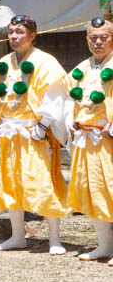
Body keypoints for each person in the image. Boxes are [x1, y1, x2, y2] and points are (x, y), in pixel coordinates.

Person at [0, 14, 69, 254]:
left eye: (19, 32)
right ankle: (17, 235)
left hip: (34, 130)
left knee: (44, 181)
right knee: (11, 183)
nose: (14, 36)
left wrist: (43, 126)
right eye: (11, 31)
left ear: (32, 35)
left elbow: (55, 96)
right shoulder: (2, 63)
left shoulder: (46, 62)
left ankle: (54, 238)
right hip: (9, 132)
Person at [41, 17, 113, 261]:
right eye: (93, 37)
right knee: (93, 190)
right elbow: (66, 96)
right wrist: (68, 120)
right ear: (87, 40)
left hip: (108, 139)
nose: (98, 42)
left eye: (103, 36)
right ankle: (104, 244)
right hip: (85, 139)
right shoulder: (82, 68)